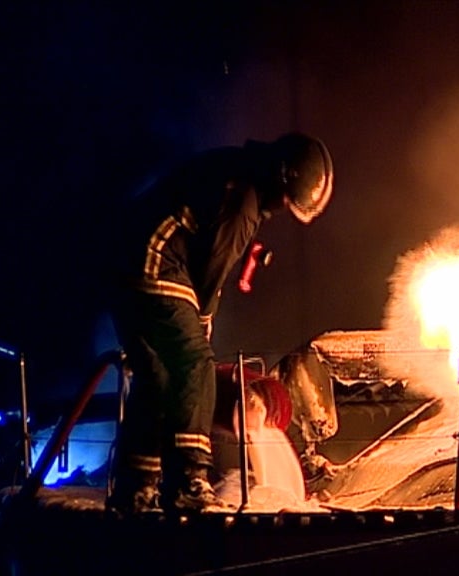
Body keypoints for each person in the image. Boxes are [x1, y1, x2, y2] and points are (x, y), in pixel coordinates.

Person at [106, 132, 334, 515]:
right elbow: (212, 269)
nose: (280, 209)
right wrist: (205, 317)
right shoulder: (243, 201)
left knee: (157, 377)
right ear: (281, 181)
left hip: (125, 261)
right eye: (284, 203)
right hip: (154, 261)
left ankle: (137, 485)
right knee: (194, 362)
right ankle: (189, 481)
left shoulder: (236, 172)